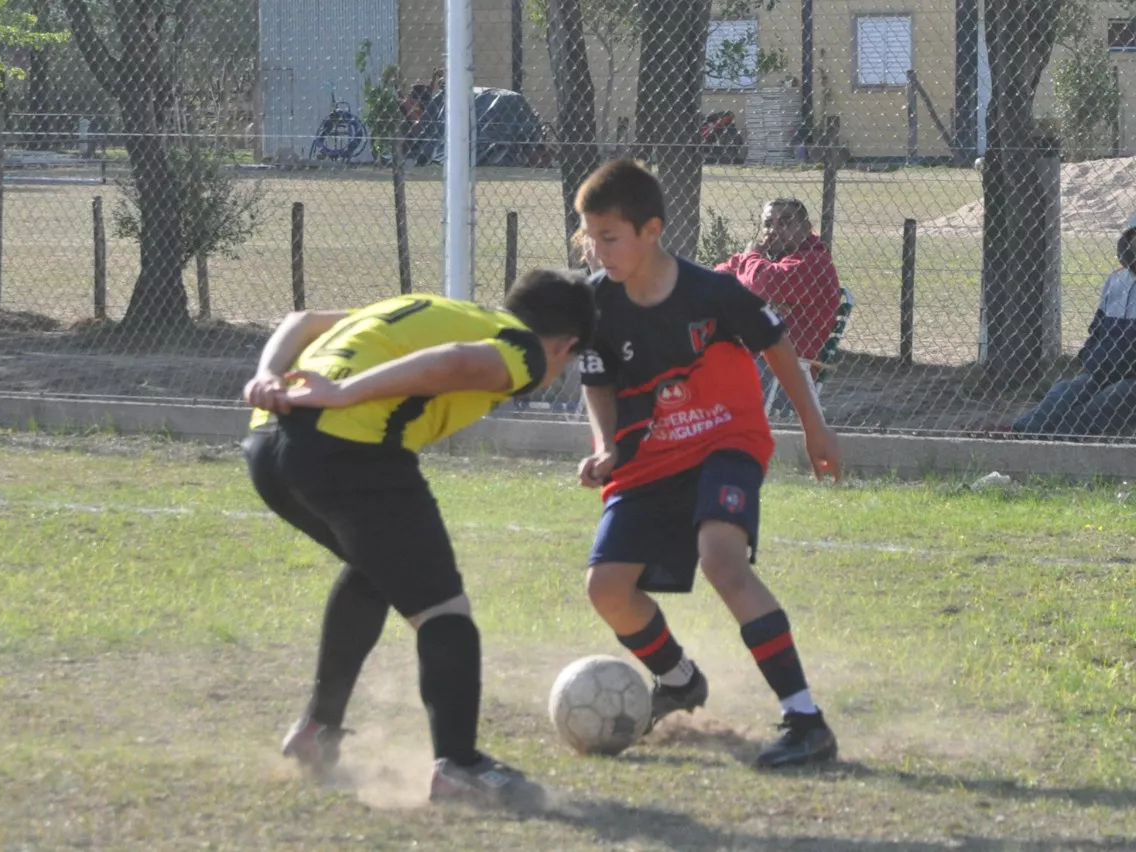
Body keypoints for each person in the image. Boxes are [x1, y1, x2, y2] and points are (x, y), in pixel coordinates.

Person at [242, 270, 595, 808]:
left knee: (375, 571)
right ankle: (459, 767)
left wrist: (268, 373)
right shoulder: (523, 347)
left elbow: (302, 322)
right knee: (443, 611)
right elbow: (456, 362)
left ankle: (316, 734)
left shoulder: (429, 308)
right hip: (346, 449)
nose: (557, 372)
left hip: (268, 442)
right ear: (564, 345)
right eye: (566, 363)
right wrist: (344, 393)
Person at [573, 159, 842, 768]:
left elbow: (777, 347)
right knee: (607, 588)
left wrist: (814, 426)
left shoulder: (713, 292)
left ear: (651, 231)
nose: (597, 249)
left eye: (609, 236)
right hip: (647, 455)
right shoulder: (593, 304)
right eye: (590, 236)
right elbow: (598, 382)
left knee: (721, 557)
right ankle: (678, 680)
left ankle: (806, 720)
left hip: (727, 438)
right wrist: (604, 445)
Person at [1009, 215, 1136, 438]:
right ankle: (1019, 433)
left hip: (1131, 379)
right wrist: (1092, 358)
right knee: (1066, 390)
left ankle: (1058, 438)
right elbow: (1098, 330)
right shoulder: (1117, 281)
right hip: (1104, 370)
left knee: (1112, 398)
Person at [716, 199, 843, 415]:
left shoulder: (814, 262)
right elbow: (716, 278)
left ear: (805, 228)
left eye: (785, 223)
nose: (774, 230)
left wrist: (752, 262)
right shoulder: (768, 258)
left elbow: (764, 281)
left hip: (783, 377)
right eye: (768, 224)